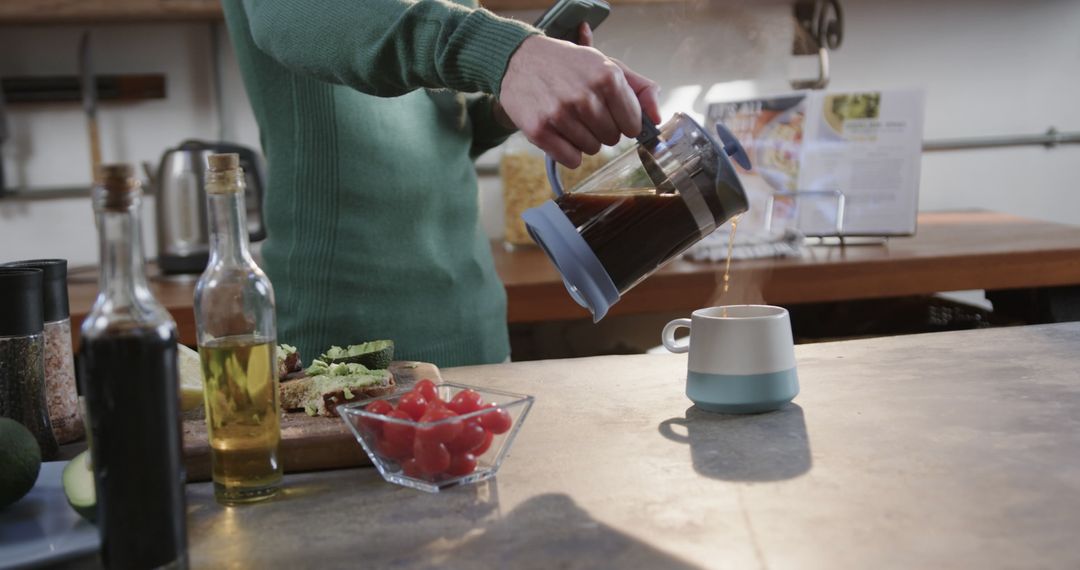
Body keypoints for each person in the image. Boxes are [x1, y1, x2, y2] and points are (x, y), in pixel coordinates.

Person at [222, 0, 660, 366]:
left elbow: (445, 130)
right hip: (343, 353)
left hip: (477, 335)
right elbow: (307, 17)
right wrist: (511, 53)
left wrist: (504, 102)